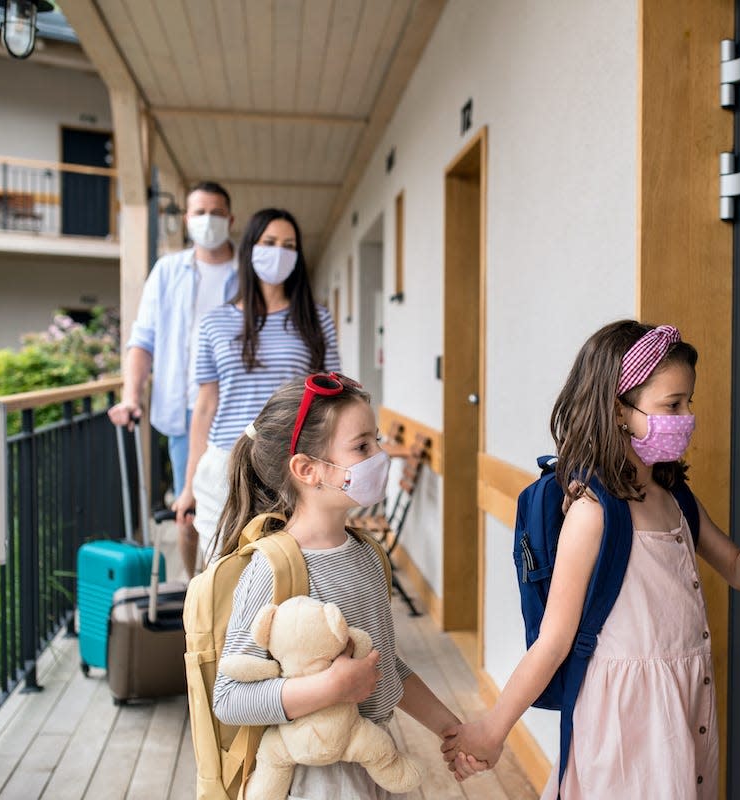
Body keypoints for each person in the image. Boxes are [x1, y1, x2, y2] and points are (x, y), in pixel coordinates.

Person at [440, 321, 740, 798]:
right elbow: (552, 643)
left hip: (684, 706)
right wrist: (493, 728)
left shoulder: (674, 496)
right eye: (672, 405)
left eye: (688, 402)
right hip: (626, 721)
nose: (687, 416)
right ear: (618, 411)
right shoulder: (593, 513)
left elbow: (732, 563)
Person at [211, 373, 471, 798]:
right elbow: (230, 698)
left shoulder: (367, 554)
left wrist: (450, 729)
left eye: (378, 441)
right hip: (310, 778)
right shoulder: (273, 568)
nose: (380, 457)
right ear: (307, 469)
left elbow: (382, 670)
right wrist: (331, 688)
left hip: (368, 758)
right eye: (362, 446)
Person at [175, 207, 341, 567]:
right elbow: (204, 407)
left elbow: (331, 405)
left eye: (289, 244)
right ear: (250, 248)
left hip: (290, 466)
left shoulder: (317, 320)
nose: (279, 251)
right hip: (224, 466)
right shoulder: (214, 323)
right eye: (269, 242)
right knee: (225, 572)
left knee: (287, 574)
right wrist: (187, 486)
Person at [109, 181, 237, 578]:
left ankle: (237, 593)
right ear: (186, 219)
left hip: (236, 409)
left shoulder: (247, 273)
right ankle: (194, 590)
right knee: (189, 513)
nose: (208, 220)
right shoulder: (167, 271)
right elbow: (142, 339)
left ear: (230, 219)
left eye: (216, 213)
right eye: (199, 212)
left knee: (240, 509)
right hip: (185, 413)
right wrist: (132, 395)